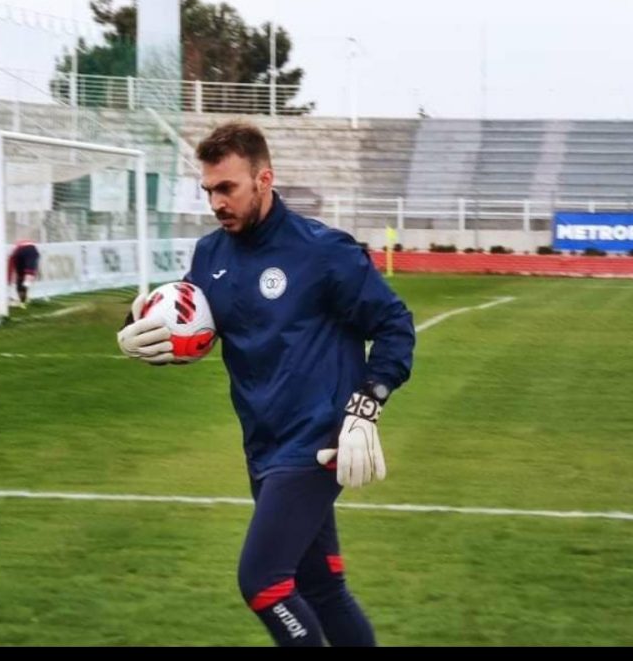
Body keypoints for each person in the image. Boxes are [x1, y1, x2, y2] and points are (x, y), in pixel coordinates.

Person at [117, 122, 415, 646]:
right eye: (209, 190)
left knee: (263, 583)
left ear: (264, 180)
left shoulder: (322, 251)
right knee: (322, 589)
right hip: (262, 445)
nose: (216, 202)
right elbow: (186, 324)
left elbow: (394, 325)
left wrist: (366, 407)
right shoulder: (210, 256)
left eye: (227, 188)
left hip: (317, 444)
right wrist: (136, 329)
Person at [8, 239, 40, 307]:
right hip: (33, 249)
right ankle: (23, 299)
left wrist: (9, 279)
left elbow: (10, 268)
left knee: (21, 277)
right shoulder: (16, 251)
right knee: (28, 274)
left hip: (21, 252)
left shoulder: (14, 253)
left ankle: (21, 299)